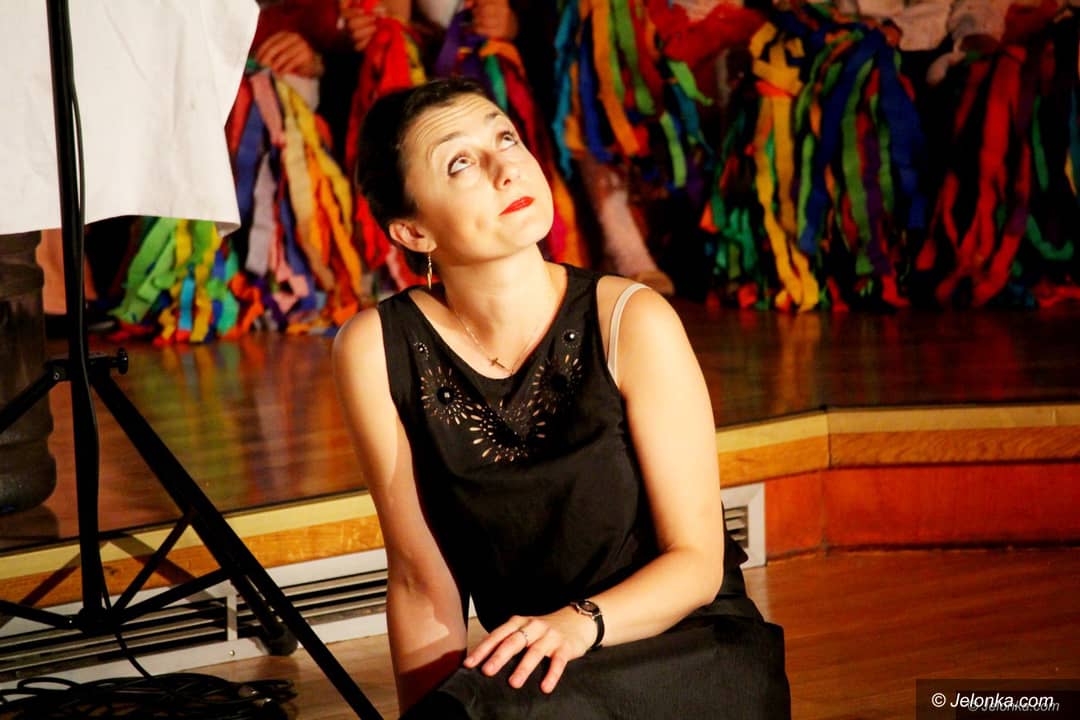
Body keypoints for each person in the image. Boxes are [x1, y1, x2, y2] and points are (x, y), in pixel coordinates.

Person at [332, 78, 790, 718]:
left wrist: (579, 624)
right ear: (413, 232)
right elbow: (417, 580)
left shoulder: (632, 318)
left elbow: (697, 563)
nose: (506, 168)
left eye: (506, 138)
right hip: (537, 668)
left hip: (687, 646)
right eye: (460, 163)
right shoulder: (374, 347)